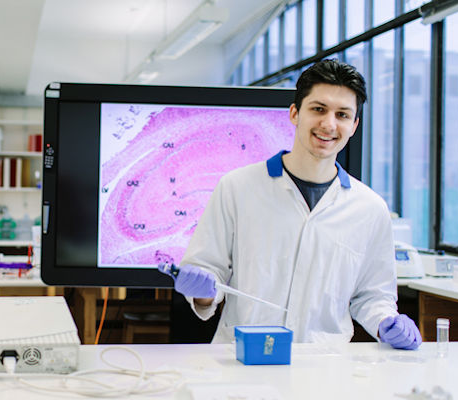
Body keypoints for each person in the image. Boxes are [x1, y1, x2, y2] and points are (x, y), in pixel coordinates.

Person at [161, 59, 421, 350]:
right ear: (295, 113)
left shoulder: (370, 208)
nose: (329, 124)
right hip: (244, 357)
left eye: (343, 115)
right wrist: (202, 291)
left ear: (354, 125)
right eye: (318, 109)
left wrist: (387, 322)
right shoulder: (237, 187)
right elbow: (208, 275)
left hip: (325, 365)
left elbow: (373, 296)